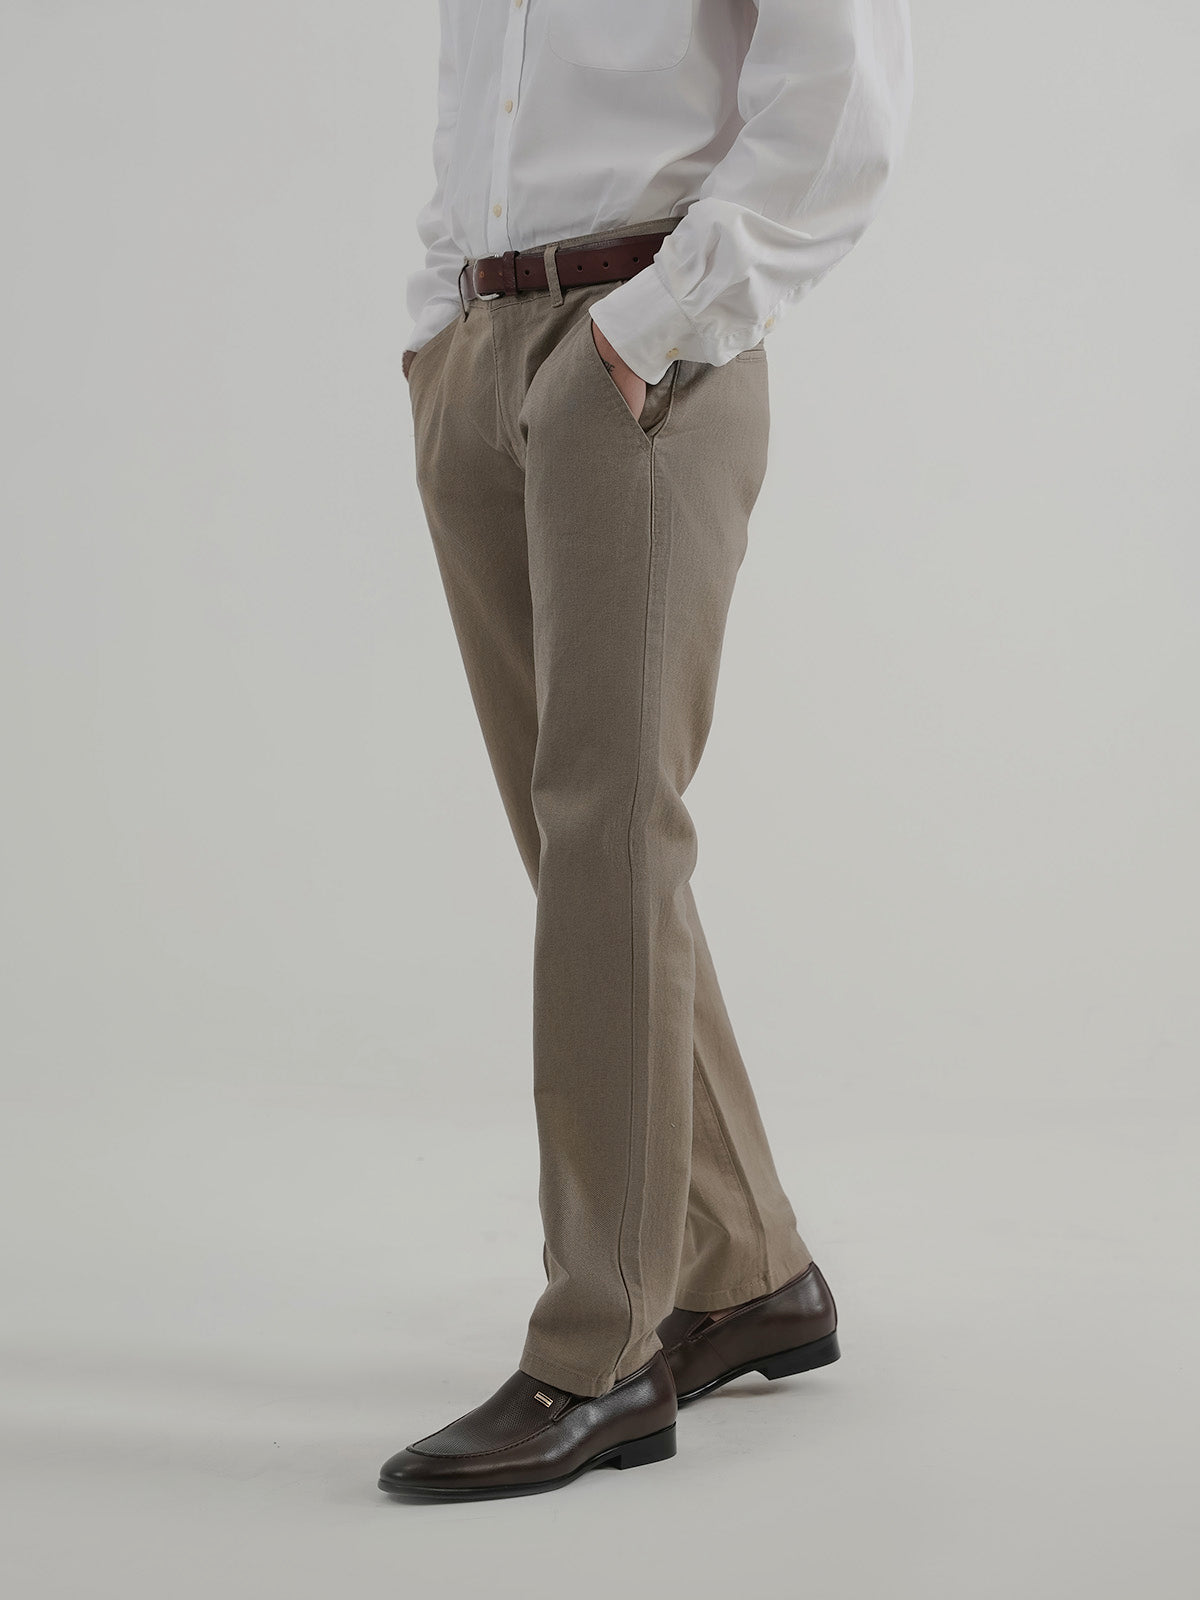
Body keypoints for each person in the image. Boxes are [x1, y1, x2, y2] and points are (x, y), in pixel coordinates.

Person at [379, 0, 912, 1501]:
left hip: (641, 343)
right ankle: (748, 1266)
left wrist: (647, 328)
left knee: (610, 832)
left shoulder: (643, 336)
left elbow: (841, 102)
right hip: (481, 344)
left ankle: (600, 1348)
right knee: (586, 845)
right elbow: (485, 91)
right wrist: (438, 327)